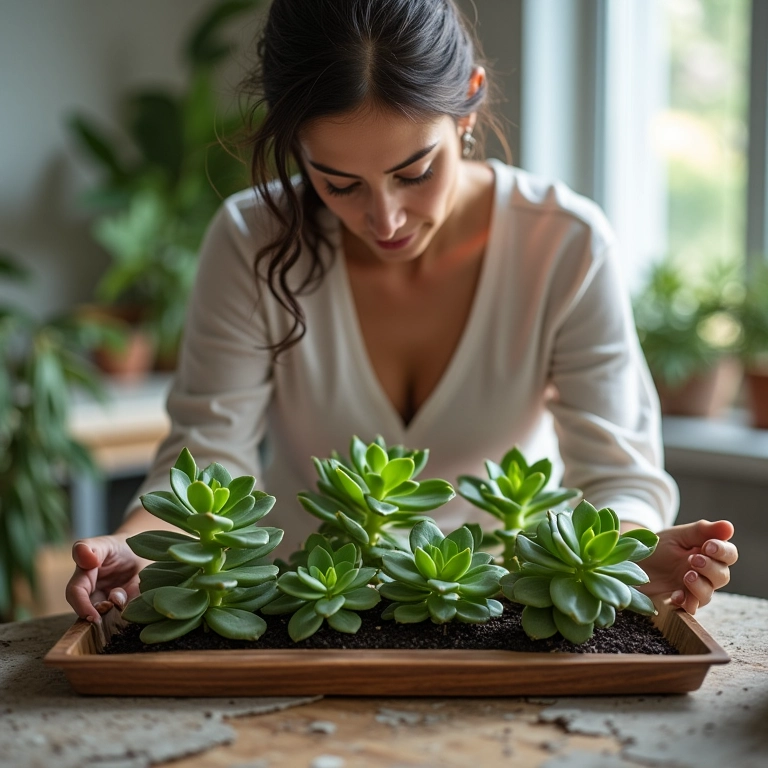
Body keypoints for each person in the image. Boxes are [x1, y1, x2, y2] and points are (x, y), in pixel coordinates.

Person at [67, 0, 737, 625]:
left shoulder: (564, 242)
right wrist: (135, 549)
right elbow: (207, 459)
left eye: (415, 173)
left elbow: (618, 474)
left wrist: (627, 549)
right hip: (302, 615)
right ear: (296, 149)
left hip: (504, 616)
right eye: (338, 183)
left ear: (468, 107)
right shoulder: (250, 240)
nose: (383, 219)